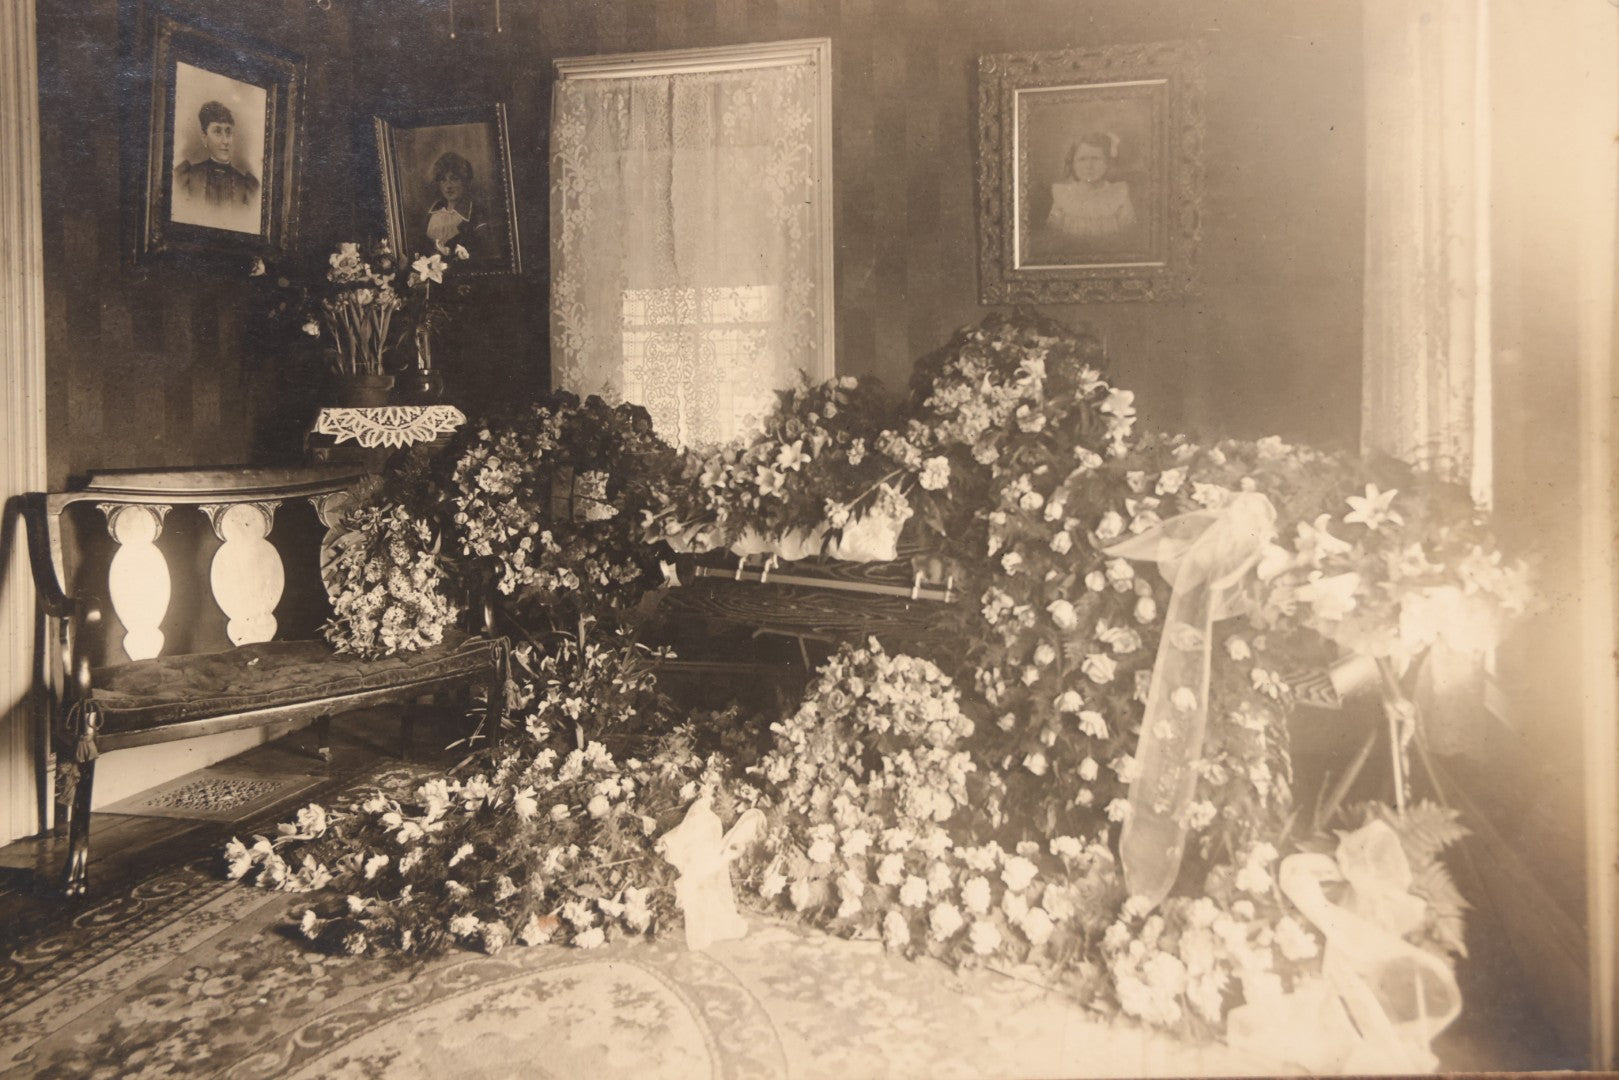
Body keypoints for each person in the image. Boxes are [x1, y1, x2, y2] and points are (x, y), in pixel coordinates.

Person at [1040, 132, 1136, 251]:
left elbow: (1128, 235)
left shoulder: (1118, 194)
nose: (1089, 166)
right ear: (1073, 163)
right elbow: (1053, 235)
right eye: (1082, 159)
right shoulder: (1063, 195)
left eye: (1096, 159)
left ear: (1108, 163)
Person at [174, 101, 260, 209]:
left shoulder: (247, 186)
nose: (225, 141)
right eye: (217, 132)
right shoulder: (187, 177)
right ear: (204, 137)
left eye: (228, 132)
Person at [423, 151, 488, 259]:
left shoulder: (476, 214)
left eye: (454, 179)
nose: (448, 186)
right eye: (443, 180)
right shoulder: (432, 214)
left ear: (465, 181)